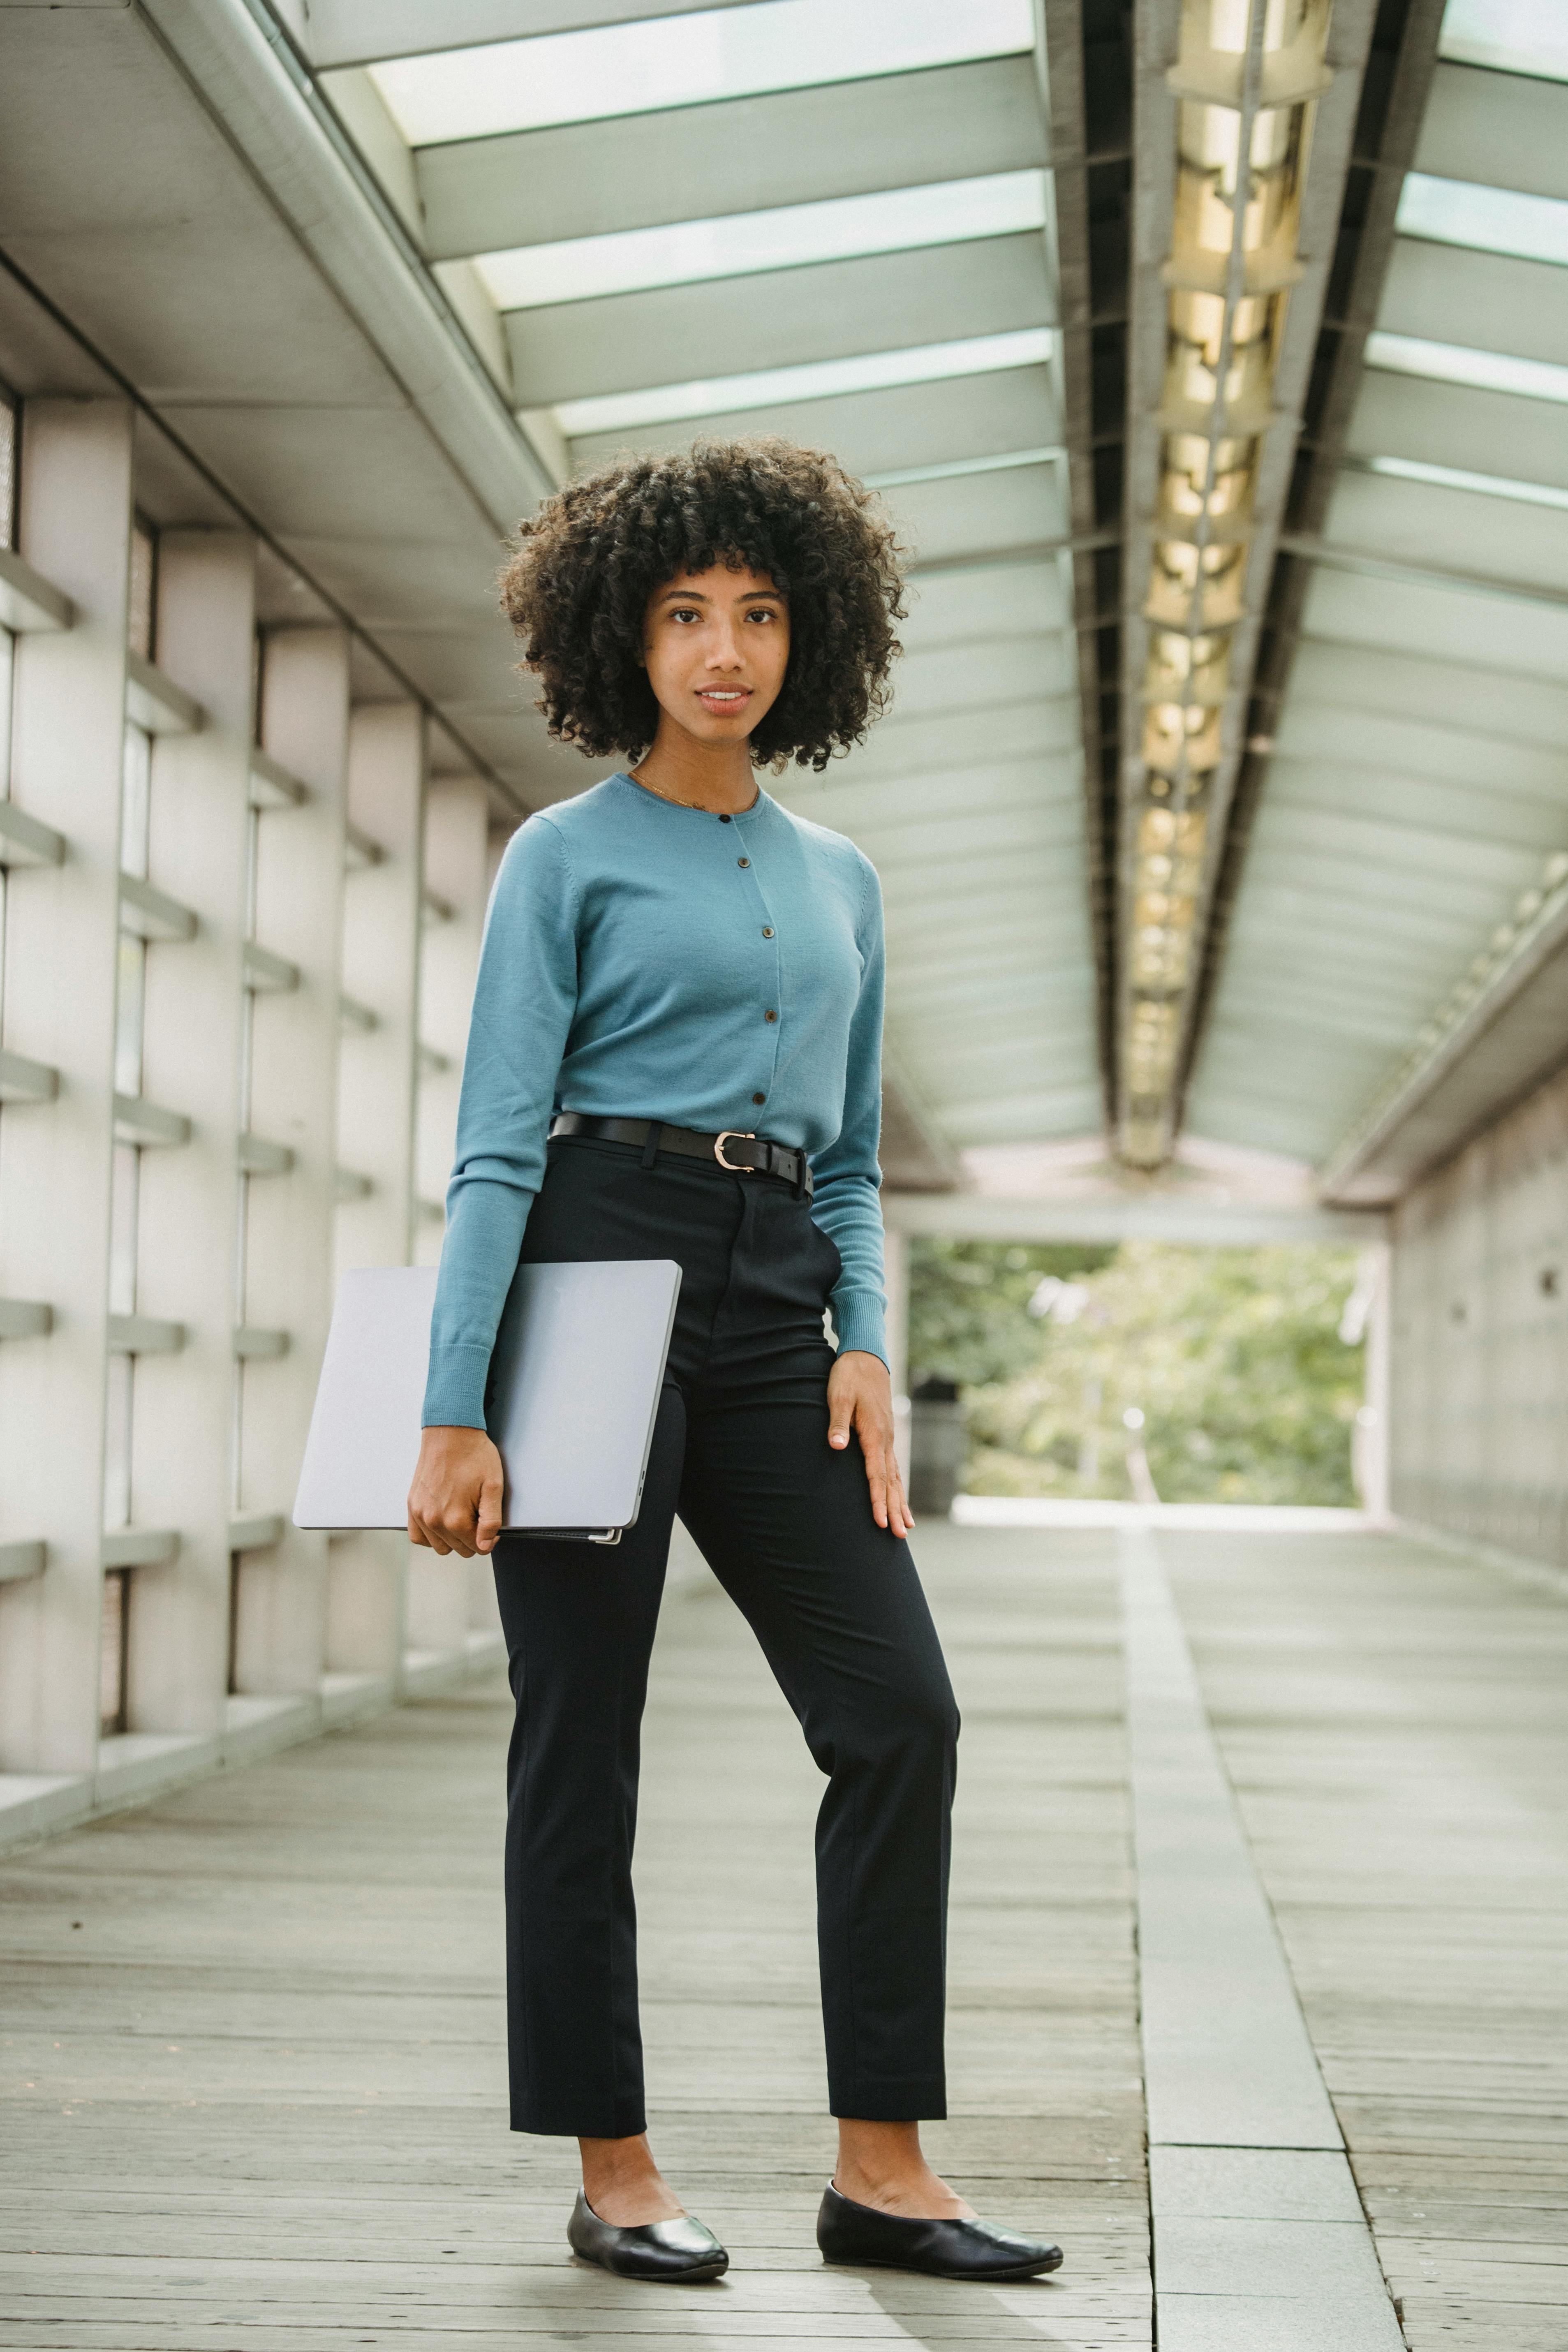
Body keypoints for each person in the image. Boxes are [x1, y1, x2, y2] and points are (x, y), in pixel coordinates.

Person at [406, 438, 1062, 2288]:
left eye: (761, 613)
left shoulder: (842, 878)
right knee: (581, 1750)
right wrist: (458, 1401)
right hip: (593, 1281)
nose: (725, 650)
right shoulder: (565, 859)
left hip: (781, 1307)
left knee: (900, 1715)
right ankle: (616, 2165)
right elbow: (497, 1147)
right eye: (688, 613)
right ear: (623, 635)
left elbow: (848, 1158)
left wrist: (866, 1335)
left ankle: (883, 2169)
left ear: (815, 637)